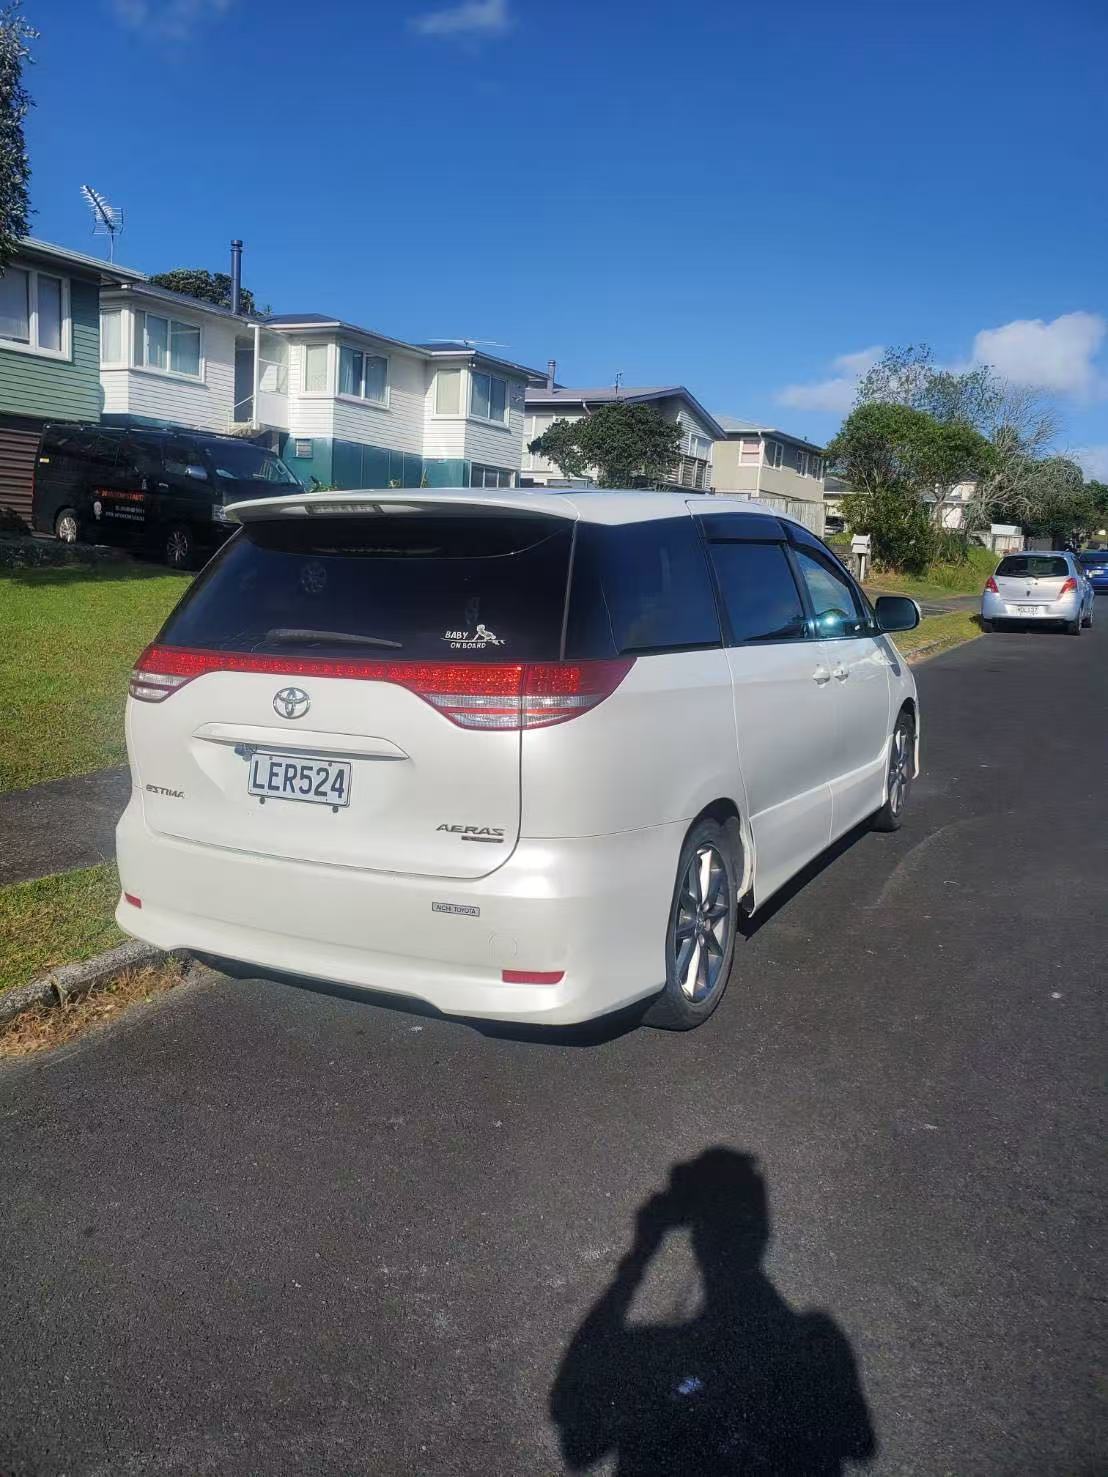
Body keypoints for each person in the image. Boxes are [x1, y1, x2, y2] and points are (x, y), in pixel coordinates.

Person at [550, 1148, 876, 1475]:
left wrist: (640, 1254)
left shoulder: (654, 1353)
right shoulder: (817, 1341)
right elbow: (860, 1443)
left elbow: (576, 1429)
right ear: (761, 1232)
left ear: (696, 1238)